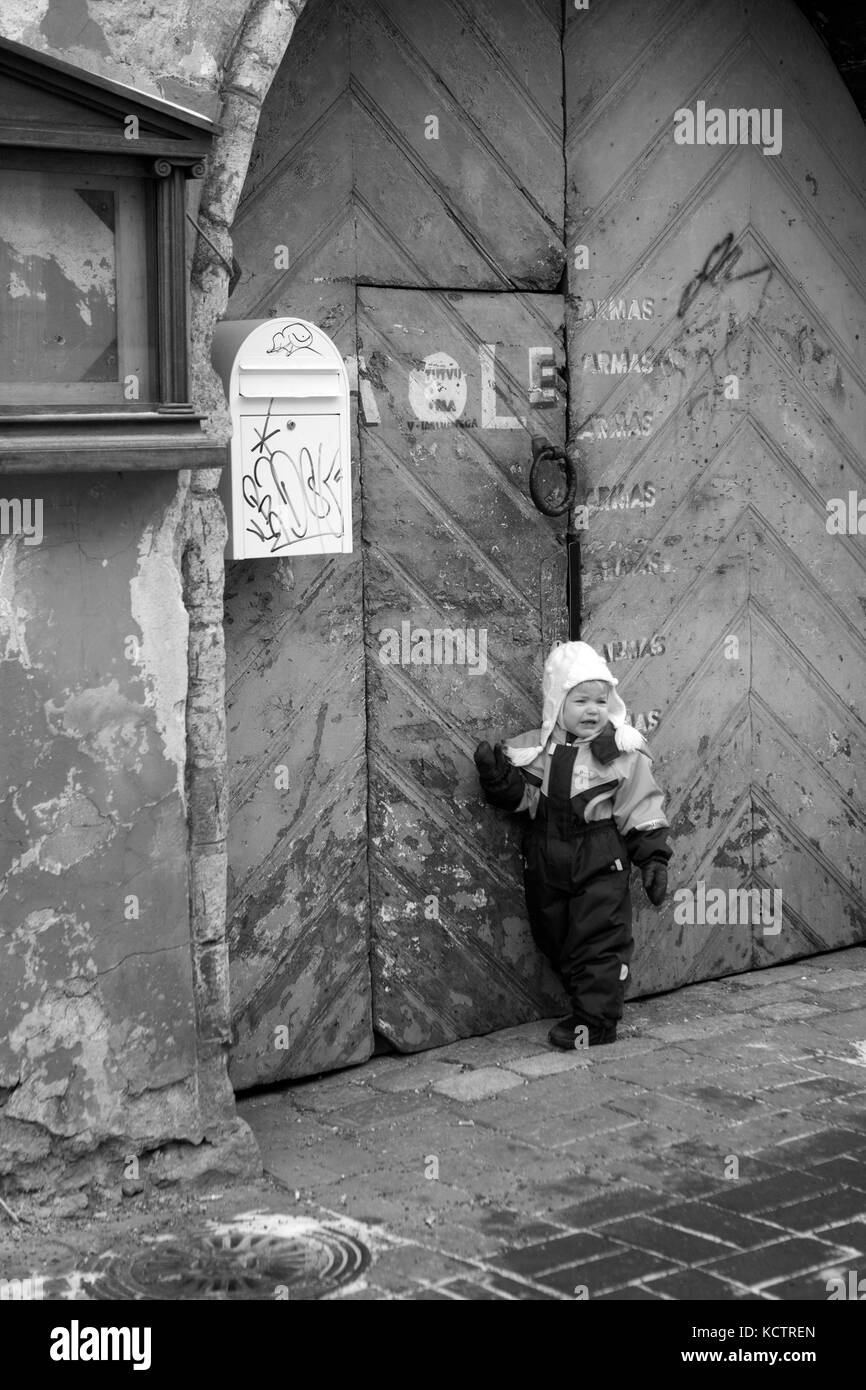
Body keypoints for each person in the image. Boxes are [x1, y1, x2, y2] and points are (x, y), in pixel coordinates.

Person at [474, 640, 671, 1048]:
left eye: (601, 700)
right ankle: (584, 1000)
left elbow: (641, 803)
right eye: (580, 700)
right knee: (554, 935)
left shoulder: (619, 754)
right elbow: (526, 800)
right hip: (546, 857)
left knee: (599, 939)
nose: (592, 710)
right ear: (558, 703)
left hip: (599, 858)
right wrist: (500, 781)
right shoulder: (540, 751)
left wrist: (652, 856)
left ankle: (595, 1023)